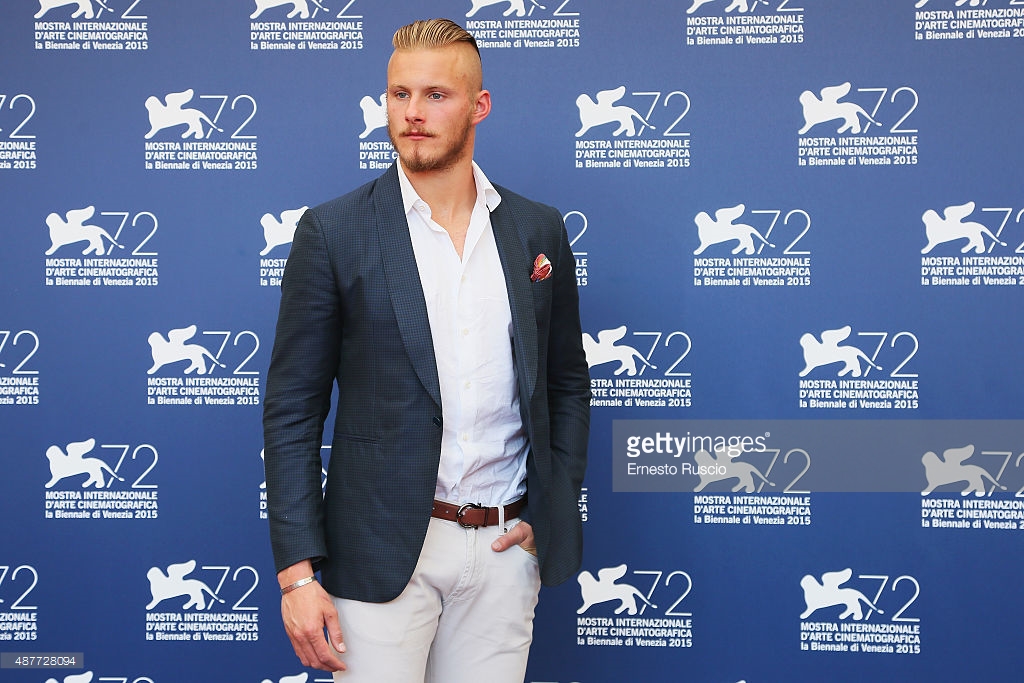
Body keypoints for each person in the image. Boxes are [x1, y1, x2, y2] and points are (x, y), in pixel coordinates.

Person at [262, 17, 591, 682]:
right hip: (378, 553)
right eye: (399, 94)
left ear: (479, 105)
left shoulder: (537, 229)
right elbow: (292, 408)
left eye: (436, 95)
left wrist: (546, 512)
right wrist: (296, 574)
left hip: (503, 551)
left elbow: (565, 383)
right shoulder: (334, 231)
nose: (412, 113)